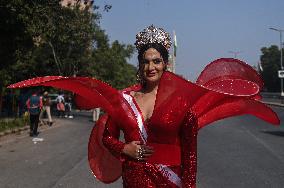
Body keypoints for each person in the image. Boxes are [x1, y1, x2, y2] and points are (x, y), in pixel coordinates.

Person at [8, 25, 280, 187]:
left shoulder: (181, 102)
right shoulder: (125, 100)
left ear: (165, 64)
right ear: (139, 64)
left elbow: (190, 153)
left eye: (157, 61)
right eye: (146, 61)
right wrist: (124, 148)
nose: (151, 66)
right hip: (134, 178)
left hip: (169, 178)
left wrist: (188, 185)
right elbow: (107, 137)